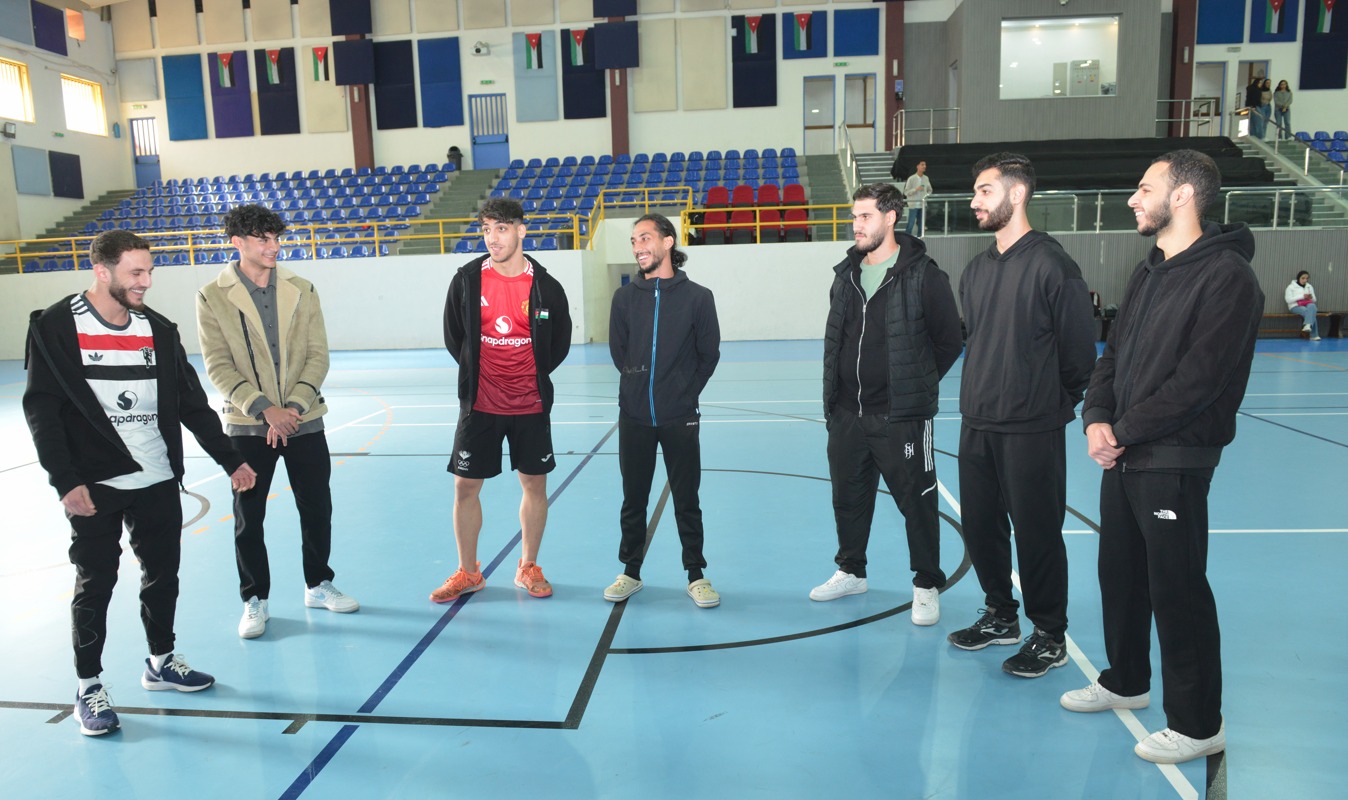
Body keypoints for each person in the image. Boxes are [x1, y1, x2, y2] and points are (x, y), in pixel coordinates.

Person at [1061, 150, 1263, 765]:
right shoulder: (1148, 271)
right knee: (1120, 575)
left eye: (1144, 188)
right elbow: (1113, 356)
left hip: (1175, 458)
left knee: (1178, 589)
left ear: (1182, 196)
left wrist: (1120, 430)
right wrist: (1097, 418)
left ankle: (1199, 724)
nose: (1133, 198)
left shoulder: (1228, 277)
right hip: (1125, 451)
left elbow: (1198, 381)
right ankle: (1126, 679)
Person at [23, 230, 257, 736]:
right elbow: (42, 409)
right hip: (96, 483)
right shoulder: (57, 326)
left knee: (163, 575)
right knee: (96, 583)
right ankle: (89, 686)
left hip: (157, 478)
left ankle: (161, 662)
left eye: (149, 272)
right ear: (101, 271)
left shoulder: (158, 329)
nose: (146, 282)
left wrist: (230, 460)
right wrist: (65, 481)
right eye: (135, 272)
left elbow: (191, 402)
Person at [948, 153, 1097, 677]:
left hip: (1032, 426)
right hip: (977, 421)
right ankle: (1000, 616)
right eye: (975, 191)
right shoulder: (976, 270)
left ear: (1018, 194)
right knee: (981, 528)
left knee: (1036, 533)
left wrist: (1045, 403)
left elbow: (1079, 355)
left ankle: (1049, 634)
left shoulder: (1052, 265)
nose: (974, 201)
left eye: (985, 191)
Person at [196, 204, 358, 640]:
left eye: (276, 238)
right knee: (248, 517)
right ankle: (255, 599)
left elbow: (317, 354)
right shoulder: (212, 296)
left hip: (304, 420)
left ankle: (318, 583)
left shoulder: (302, 289)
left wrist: (293, 408)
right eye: (263, 239)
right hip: (247, 425)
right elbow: (217, 365)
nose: (273, 247)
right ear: (238, 242)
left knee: (317, 507)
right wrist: (266, 409)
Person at [811, 183, 963, 626]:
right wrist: (835, 402)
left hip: (901, 417)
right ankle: (851, 571)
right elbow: (837, 339)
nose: (855, 225)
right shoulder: (846, 274)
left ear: (891, 217)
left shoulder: (924, 275)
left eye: (865, 217)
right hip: (846, 412)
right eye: (854, 217)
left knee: (917, 502)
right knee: (848, 498)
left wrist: (913, 386)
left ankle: (926, 583)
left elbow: (949, 341)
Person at [432, 197, 572, 602]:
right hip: (480, 404)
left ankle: (528, 565)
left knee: (534, 484)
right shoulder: (466, 280)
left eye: (502, 229)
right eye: (486, 229)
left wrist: (530, 373)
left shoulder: (546, 286)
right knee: (465, 487)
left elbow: (558, 344)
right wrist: (478, 374)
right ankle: (468, 572)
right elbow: (455, 337)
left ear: (521, 231)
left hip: (530, 404)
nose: (493, 238)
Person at [605, 214, 722, 608]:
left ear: (668, 241)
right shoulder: (624, 299)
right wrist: (636, 390)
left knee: (687, 498)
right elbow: (619, 353)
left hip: (679, 416)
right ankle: (630, 571)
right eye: (633, 241)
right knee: (633, 498)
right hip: (634, 416)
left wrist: (684, 393)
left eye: (645, 238)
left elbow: (708, 354)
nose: (638, 247)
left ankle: (696, 575)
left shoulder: (698, 298)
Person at [1284, 270, 1321, 341]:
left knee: (1312, 306)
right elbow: (1288, 300)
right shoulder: (1291, 287)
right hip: (1295, 306)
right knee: (1311, 313)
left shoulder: (1309, 286)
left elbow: (1314, 300)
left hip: (1307, 304)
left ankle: (1307, 325)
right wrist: (1302, 296)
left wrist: (1310, 297)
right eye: (1303, 278)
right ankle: (1314, 335)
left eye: (1307, 278)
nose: (1305, 280)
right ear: (1298, 278)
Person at [903, 161, 933, 236]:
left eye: (925, 165)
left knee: (921, 225)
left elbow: (930, 190)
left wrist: (926, 195)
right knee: (911, 224)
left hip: (922, 205)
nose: (924, 166)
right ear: (917, 166)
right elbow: (906, 192)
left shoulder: (926, 178)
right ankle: (907, 239)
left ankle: (919, 239)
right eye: (922, 165)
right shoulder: (911, 178)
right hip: (913, 205)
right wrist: (916, 189)